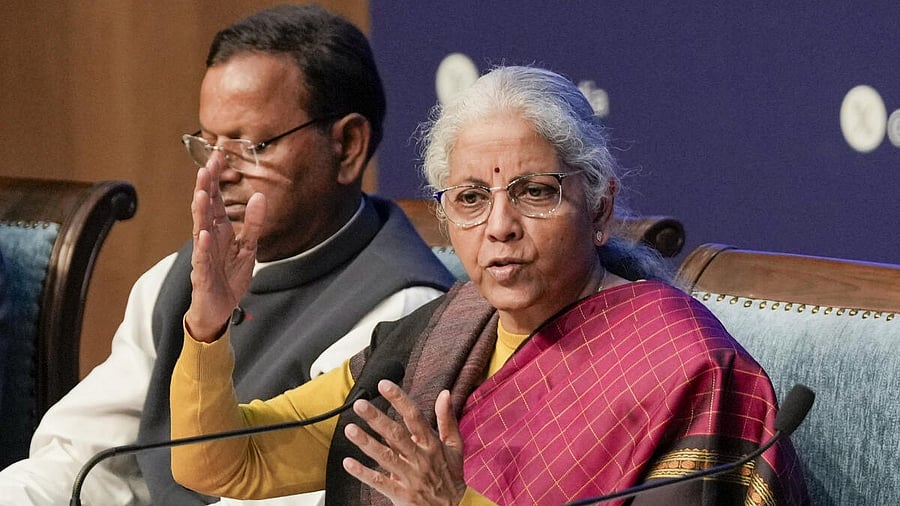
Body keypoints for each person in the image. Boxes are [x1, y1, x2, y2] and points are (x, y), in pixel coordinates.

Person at [169, 65, 810, 505]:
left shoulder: (682, 365)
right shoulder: (439, 338)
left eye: (534, 192)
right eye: (472, 198)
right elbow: (221, 462)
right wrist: (208, 326)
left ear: (601, 208)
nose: (499, 227)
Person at [0, 5, 456, 505]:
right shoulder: (176, 281)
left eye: (249, 146)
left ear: (347, 146)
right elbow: (80, 460)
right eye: (207, 144)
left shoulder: (402, 315)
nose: (217, 172)